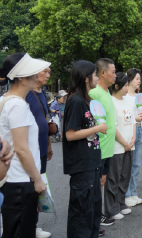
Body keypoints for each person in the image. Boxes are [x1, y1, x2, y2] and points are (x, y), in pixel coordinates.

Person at [0, 53, 48, 238]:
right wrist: (37, 179)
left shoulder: (7, 100)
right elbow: (21, 148)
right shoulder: (17, 105)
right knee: (21, 231)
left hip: (13, 179)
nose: (37, 75)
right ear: (20, 77)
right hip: (20, 181)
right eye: (32, 71)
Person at [63, 60, 108, 237]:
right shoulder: (75, 101)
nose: (97, 77)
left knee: (93, 210)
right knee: (81, 213)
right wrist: (98, 128)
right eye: (95, 74)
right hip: (82, 165)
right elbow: (70, 134)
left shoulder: (87, 100)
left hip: (92, 162)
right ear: (86, 78)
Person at [25, 65, 53, 238]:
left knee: (39, 188)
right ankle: (26, 226)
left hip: (42, 149)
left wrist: (49, 145)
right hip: (29, 151)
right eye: (45, 71)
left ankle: (33, 226)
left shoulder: (42, 93)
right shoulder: (26, 94)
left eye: (50, 72)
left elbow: (45, 120)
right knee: (29, 189)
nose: (48, 75)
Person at [88, 58, 116, 226]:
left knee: (102, 182)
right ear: (103, 73)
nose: (115, 75)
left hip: (108, 148)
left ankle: (97, 215)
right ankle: (93, 219)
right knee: (95, 184)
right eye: (113, 72)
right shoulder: (94, 93)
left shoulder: (106, 93)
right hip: (98, 148)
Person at [104, 72, 136, 220]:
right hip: (117, 147)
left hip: (130, 145)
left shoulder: (129, 101)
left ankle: (121, 203)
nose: (127, 88)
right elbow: (112, 127)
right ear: (116, 86)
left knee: (125, 176)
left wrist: (133, 139)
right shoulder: (110, 102)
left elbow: (134, 122)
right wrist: (124, 143)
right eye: (125, 85)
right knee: (113, 178)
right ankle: (111, 209)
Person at [124, 68, 142, 207]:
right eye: (137, 78)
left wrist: (140, 117)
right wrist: (134, 117)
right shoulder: (124, 96)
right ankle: (126, 194)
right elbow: (122, 115)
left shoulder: (139, 96)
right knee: (128, 164)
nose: (139, 81)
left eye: (139, 79)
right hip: (129, 130)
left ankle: (133, 192)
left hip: (139, 129)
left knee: (137, 163)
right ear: (129, 79)